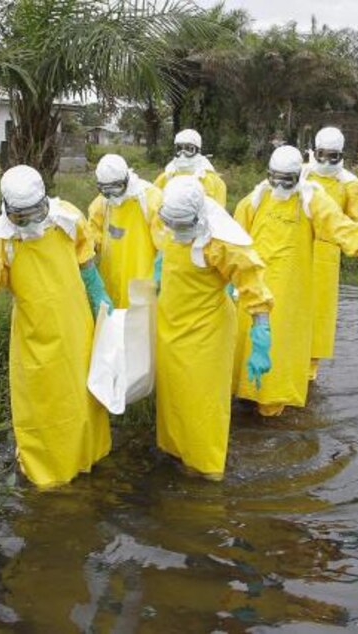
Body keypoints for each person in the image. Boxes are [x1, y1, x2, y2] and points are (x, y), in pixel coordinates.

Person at [0, 165, 113, 488]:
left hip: (79, 330)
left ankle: (89, 461)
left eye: (37, 212)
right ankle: (48, 478)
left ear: (46, 202)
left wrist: (101, 299)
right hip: (35, 337)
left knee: (85, 403)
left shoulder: (68, 219)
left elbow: (86, 262)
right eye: (22, 217)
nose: (32, 223)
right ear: (7, 209)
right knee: (43, 412)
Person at [232, 145, 358, 418]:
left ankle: (272, 408)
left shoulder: (313, 201)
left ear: (298, 176)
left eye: (287, 179)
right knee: (245, 343)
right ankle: (244, 397)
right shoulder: (254, 200)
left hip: (290, 290)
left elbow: (344, 229)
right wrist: (230, 281)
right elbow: (232, 237)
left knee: (281, 346)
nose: (280, 185)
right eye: (276, 178)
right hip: (253, 286)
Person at [154, 176, 273, 479]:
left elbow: (253, 286)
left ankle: (206, 469)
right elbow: (166, 249)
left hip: (207, 334)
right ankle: (177, 453)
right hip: (171, 328)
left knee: (203, 404)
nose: (177, 231)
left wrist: (261, 338)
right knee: (174, 397)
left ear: (197, 217)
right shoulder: (172, 219)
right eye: (172, 224)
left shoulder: (221, 242)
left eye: (183, 226)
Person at [304, 126, 358, 381]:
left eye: (333, 156)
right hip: (295, 250)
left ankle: (309, 374)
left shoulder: (349, 183)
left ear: (341, 155)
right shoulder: (301, 175)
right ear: (314, 151)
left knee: (319, 314)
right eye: (322, 155)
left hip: (326, 256)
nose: (326, 162)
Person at [87, 154, 163, 308]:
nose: (112, 195)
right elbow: (91, 236)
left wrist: (160, 275)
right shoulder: (102, 203)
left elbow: (166, 244)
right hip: (112, 279)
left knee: (140, 327)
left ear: (126, 180)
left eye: (117, 188)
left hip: (143, 279)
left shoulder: (150, 199)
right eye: (106, 191)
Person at [154, 129, 227, 206]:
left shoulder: (213, 181)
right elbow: (154, 205)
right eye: (179, 149)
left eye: (188, 149)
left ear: (197, 150)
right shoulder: (166, 177)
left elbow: (219, 212)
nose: (182, 153)